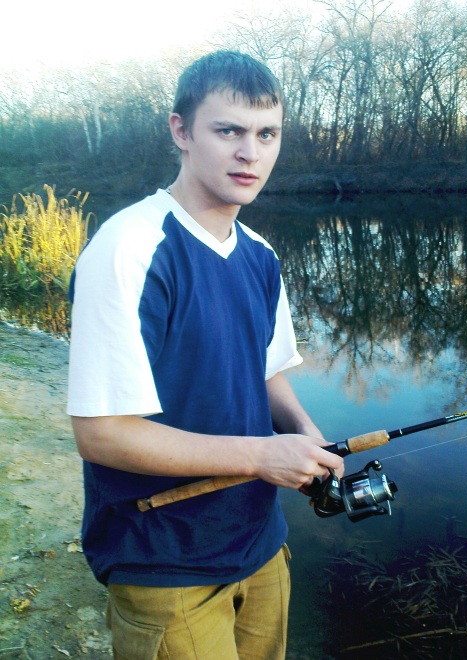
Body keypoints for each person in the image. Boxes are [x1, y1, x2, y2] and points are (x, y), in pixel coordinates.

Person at [67, 50, 344, 659]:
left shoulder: (261, 255)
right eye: (229, 131)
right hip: (164, 559)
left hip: (260, 543)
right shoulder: (129, 248)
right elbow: (102, 434)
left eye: (267, 134)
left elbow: (266, 370)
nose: (251, 153)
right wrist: (262, 456)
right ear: (182, 131)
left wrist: (305, 434)